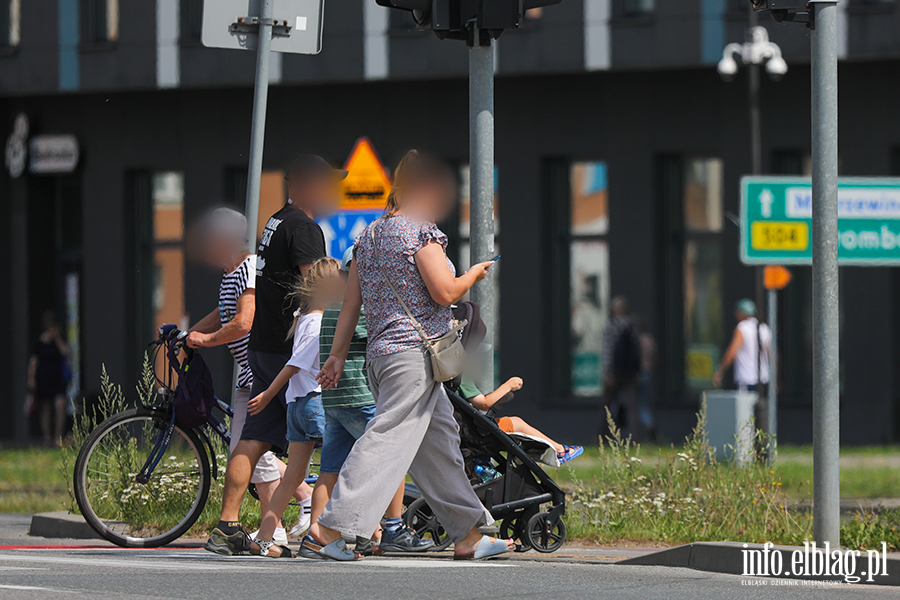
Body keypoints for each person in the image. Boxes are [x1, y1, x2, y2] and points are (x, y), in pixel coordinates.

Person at [311, 150, 511, 561]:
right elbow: (446, 292)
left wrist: (334, 357)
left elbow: (350, 305)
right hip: (414, 357)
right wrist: (474, 273)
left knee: (438, 443)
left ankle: (468, 535)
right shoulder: (420, 232)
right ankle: (328, 529)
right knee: (386, 439)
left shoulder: (366, 238)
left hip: (382, 358)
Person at [205, 155, 345, 556]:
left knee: (254, 439)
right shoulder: (304, 228)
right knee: (342, 438)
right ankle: (333, 530)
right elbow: (315, 290)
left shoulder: (275, 222)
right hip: (293, 353)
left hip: (264, 347)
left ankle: (229, 527)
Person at [304, 247, 431, 558]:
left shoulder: (333, 306)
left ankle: (316, 535)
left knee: (330, 470)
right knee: (391, 457)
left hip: (333, 400)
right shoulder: (360, 307)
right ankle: (392, 527)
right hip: (361, 396)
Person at [185, 208, 287, 535]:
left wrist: (208, 340)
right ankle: (280, 525)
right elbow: (223, 312)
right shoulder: (231, 274)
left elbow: (243, 321)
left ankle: (282, 522)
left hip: (261, 372)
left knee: (254, 449)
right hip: (249, 374)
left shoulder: (247, 269)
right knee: (246, 450)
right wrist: (187, 337)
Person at [244, 257, 339, 558]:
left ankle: (264, 539)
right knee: (335, 471)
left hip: (296, 408)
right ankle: (323, 538)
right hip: (314, 404)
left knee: (292, 480)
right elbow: (295, 365)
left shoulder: (304, 319)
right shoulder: (320, 322)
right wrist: (269, 393)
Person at [456, 376, 583, 463]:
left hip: (458, 430)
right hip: (471, 434)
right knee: (516, 423)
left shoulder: (440, 375)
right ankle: (560, 451)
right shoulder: (457, 372)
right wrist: (508, 386)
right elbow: (484, 403)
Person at [27, 310, 69, 447]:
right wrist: (31, 379)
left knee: (60, 405)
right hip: (43, 379)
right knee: (45, 409)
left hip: (58, 379)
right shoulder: (39, 343)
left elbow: (66, 353)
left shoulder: (58, 342)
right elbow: (33, 361)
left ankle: (58, 436)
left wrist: (57, 339)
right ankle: (47, 437)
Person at [601, 296, 642, 439]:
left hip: (615, 373)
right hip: (630, 373)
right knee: (632, 406)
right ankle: (635, 437)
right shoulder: (632, 326)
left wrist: (608, 372)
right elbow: (638, 350)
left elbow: (608, 350)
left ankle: (602, 437)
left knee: (607, 406)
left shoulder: (611, 326)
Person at [712, 299, 771, 392]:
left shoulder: (742, 328)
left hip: (747, 378)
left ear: (740, 314)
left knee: (746, 406)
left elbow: (732, 352)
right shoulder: (764, 328)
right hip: (764, 378)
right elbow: (770, 353)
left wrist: (720, 371)